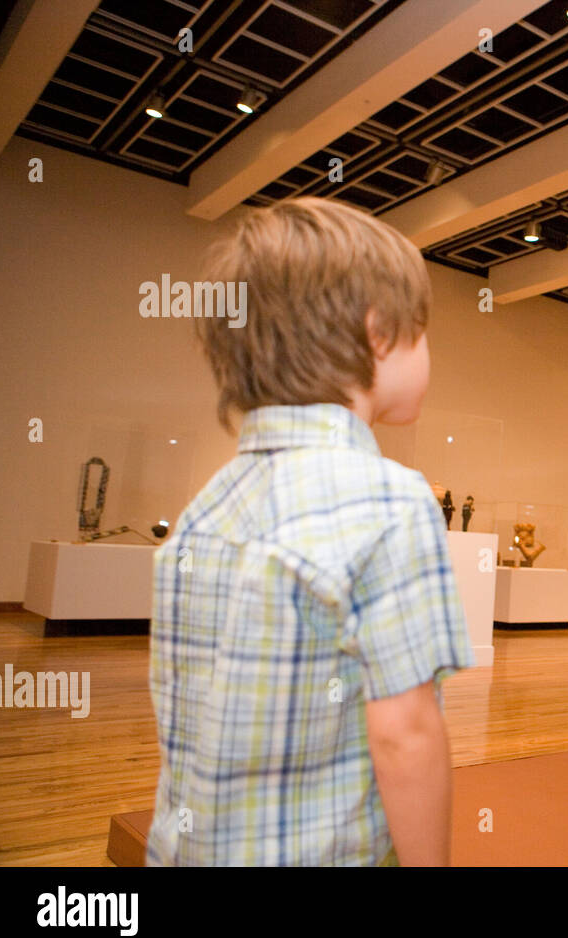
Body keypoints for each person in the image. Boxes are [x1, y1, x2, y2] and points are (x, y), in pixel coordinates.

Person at [146, 197, 473, 866]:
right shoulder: (391, 501)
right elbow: (405, 737)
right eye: (422, 329)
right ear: (378, 332)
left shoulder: (203, 511)